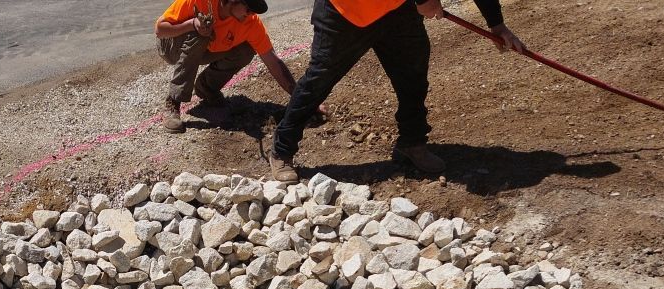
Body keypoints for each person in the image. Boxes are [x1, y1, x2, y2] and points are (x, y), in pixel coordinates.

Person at [268, 0, 525, 179]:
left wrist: (496, 24)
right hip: (345, 10)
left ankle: (412, 142)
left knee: (412, 73)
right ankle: (282, 149)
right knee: (319, 79)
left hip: (396, 9)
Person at [155, 0, 301, 134]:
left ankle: (206, 88)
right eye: (248, 8)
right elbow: (160, 30)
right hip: (171, 45)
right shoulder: (201, 2)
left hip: (207, 48)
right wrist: (192, 24)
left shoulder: (250, 22)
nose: (251, 14)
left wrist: (300, 98)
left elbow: (273, 61)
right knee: (200, 35)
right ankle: (173, 102)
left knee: (246, 50)